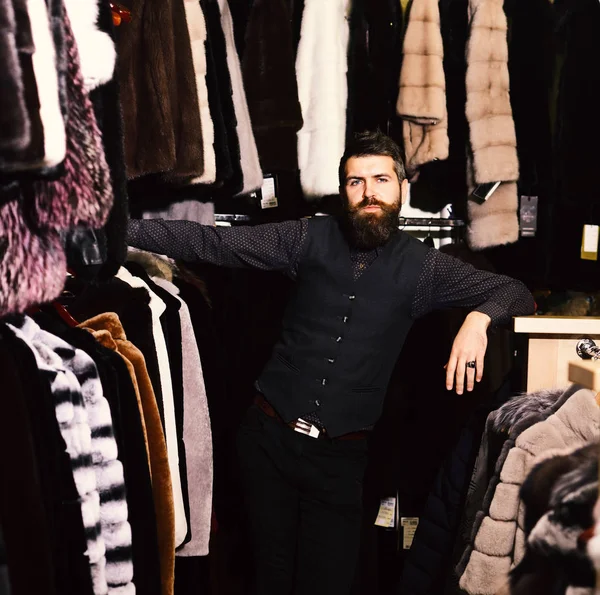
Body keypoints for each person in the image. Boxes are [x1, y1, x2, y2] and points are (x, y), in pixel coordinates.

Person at [127, 131, 535, 595]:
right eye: (355, 182)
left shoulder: (425, 269)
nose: (369, 194)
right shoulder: (308, 237)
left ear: (403, 187)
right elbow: (213, 243)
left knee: (330, 581)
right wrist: (122, 231)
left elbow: (516, 293)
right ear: (343, 191)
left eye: (381, 180)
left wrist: (478, 320)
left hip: (340, 460)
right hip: (267, 442)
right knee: (268, 578)